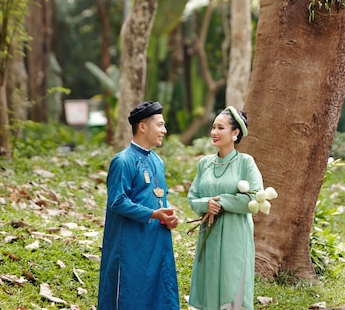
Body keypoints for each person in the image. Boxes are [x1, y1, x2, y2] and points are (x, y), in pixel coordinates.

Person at [97, 101, 180, 310]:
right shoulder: (123, 161)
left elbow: (158, 197)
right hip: (131, 245)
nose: (164, 130)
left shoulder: (158, 161)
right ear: (143, 127)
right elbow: (117, 201)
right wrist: (153, 213)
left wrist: (168, 214)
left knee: (159, 292)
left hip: (157, 241)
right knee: (131, 294)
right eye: (160, 125)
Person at [187, 106, 263, 310]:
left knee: (232, 281)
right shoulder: (205, 164)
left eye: (220, 128)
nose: (214, 132)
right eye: (213, 127)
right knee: (208, 280)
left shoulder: (246, 163)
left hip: (234, 234)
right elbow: (193, 197)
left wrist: (221, 202)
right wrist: (206, 204)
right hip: (208, 234)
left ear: (235, 133)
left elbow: (254, 198)